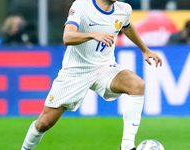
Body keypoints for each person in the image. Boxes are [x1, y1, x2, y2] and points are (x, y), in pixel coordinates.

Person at [21, 0, 162, 150]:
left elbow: (126, 26)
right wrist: (92, 34)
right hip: (76, 71)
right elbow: (67, 37)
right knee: (45, 123)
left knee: (137, 85)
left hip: (104, 67)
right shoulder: (82, 5)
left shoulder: (124, 9)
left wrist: (144, 49)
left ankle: (126, 146)